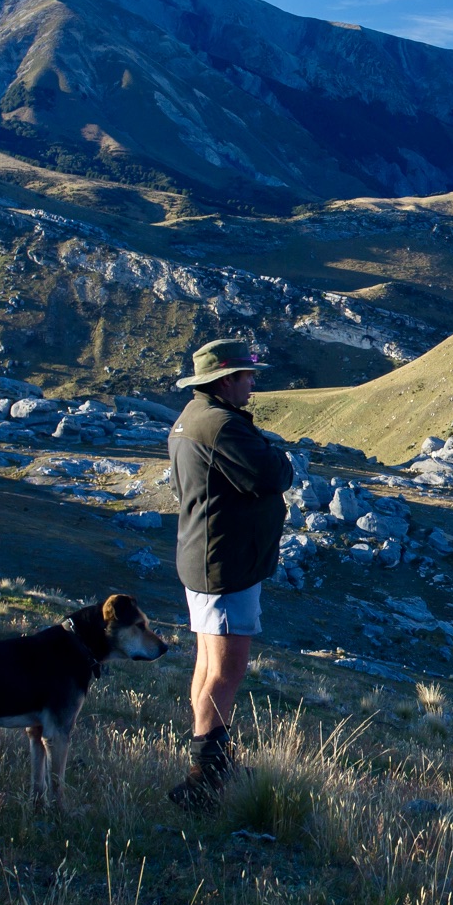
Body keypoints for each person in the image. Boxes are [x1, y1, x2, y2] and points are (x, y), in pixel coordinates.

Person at [165, 338, 293, 810]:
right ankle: (204, 778)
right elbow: (274, 475)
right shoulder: (221, 426)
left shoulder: (191, 418)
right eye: (247, 376)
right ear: (225, 380)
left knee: (207, 665)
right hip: (226, 564)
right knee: (226, 669)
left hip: (207, 557)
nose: (252, 384)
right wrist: (278, 457)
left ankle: (212, 760)